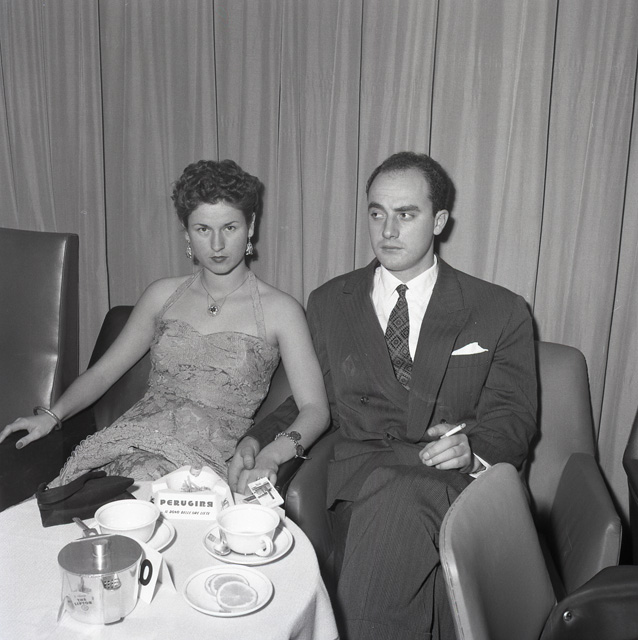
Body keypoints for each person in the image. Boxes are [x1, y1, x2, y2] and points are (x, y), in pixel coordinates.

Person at [229, 151, 537, 640]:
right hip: (359, 488)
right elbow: (316, 397)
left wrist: (472, 449)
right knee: (398, 523)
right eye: (377, 213)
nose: (387, 231)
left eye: (406, 214)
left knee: (403, 518)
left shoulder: (499, 309)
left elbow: (514, 419)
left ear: (439, 221)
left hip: (455, 484)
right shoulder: (330, 302)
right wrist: (258, 439)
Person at [0, 159, 329, 488]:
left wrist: (273, 454)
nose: (217, 245)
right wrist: (52, 416)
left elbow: (315, 409)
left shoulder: (282, 310)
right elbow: (102, 373)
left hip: (205, 462)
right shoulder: (161, 295)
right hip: (132, 441)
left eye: (229, 228)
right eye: (203, 229)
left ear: (250, 226)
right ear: (186, 231)